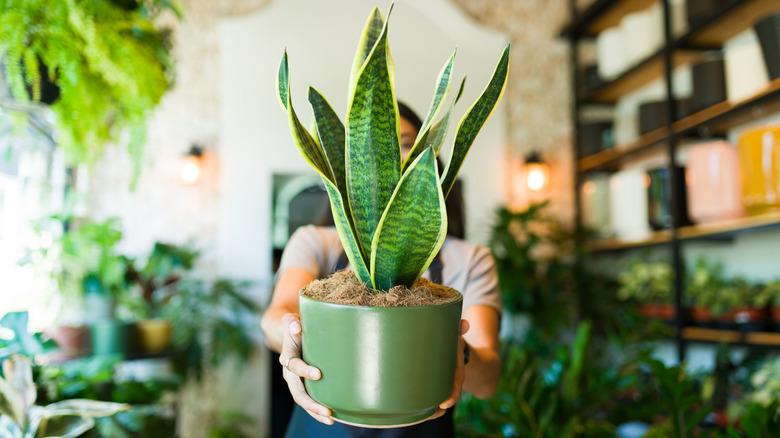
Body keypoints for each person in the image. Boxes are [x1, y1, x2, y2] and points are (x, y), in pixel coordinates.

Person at [261, 102, 502, 437]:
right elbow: (278, 312)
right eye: (373, 153)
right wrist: (291, 340)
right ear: (351, 166)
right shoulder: (316, 242)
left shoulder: (470, 259)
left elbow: (488, 380)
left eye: (405, 145)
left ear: (429, 160)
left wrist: (457, 350)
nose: (391, 161)